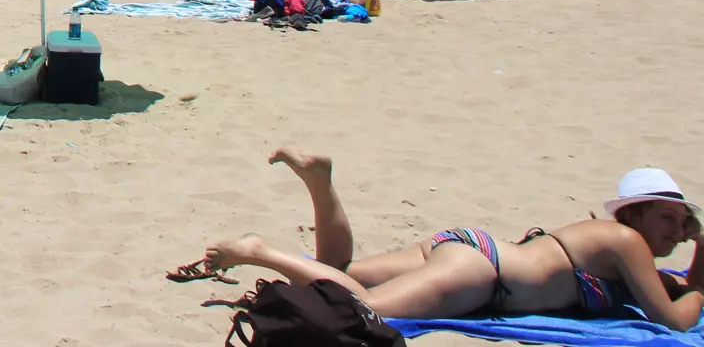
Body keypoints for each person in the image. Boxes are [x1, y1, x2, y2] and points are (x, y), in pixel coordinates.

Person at [194, 150, 704, 329]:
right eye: (666, 218)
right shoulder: (627, 243)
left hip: (469, 249)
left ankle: (321, 184)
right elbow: (675, 320)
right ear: (635, 213)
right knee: (367, 306)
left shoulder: (620, 251)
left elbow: (670, 291)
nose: (674, 232)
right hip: (484, 274)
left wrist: (696, 257)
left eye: (681, 225)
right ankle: (258, 250)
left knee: (339, 273)